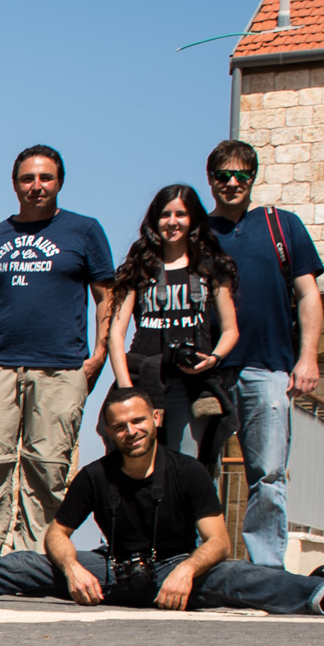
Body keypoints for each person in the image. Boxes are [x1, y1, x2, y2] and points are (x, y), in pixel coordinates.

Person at [0, 385, 324, 615]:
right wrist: (72, 569)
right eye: (119, 426)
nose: (130, 431)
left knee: (246, 580)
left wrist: (185, 574)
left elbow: (220, 541)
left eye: (138, 421)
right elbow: (57, 533)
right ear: (107, 433)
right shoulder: (97, 474)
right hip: (112, 569)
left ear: (155, 420)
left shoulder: (188, 473)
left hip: (176, 571)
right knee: (22, 565)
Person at [0, 146, 113, 555]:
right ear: (14, 183)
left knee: (48, 469)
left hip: (59, 367)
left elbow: (105, 294)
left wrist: (99, 354)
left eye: (45, 178)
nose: (36, 186)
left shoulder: (84, 231)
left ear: (59, 182)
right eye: (28, 178)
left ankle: (36, 561)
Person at [204, 139, 324, 570]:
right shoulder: (198, 232)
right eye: (224, 175)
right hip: (209, 372)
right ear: (211, 179)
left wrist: (307, 357)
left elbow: (308, 294)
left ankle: (266, 569)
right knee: (201, 475)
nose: (232, 183)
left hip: (268, 367)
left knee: (269, 477)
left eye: (241, 175)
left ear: (253, 177)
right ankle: (202, 564)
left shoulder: (282, 226)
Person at [103, 184, 238, 458]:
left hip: (192, 386)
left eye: (181, 214)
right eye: (165, 215)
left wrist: (212, 359)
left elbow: (230, 330)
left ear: (193, 219)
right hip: (143, 379)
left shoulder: (212, 268)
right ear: (155, 219)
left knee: (185, 462)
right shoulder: (139, 266)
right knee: (136, 462)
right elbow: (116, 334)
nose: (172, 222)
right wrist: (127, 389)